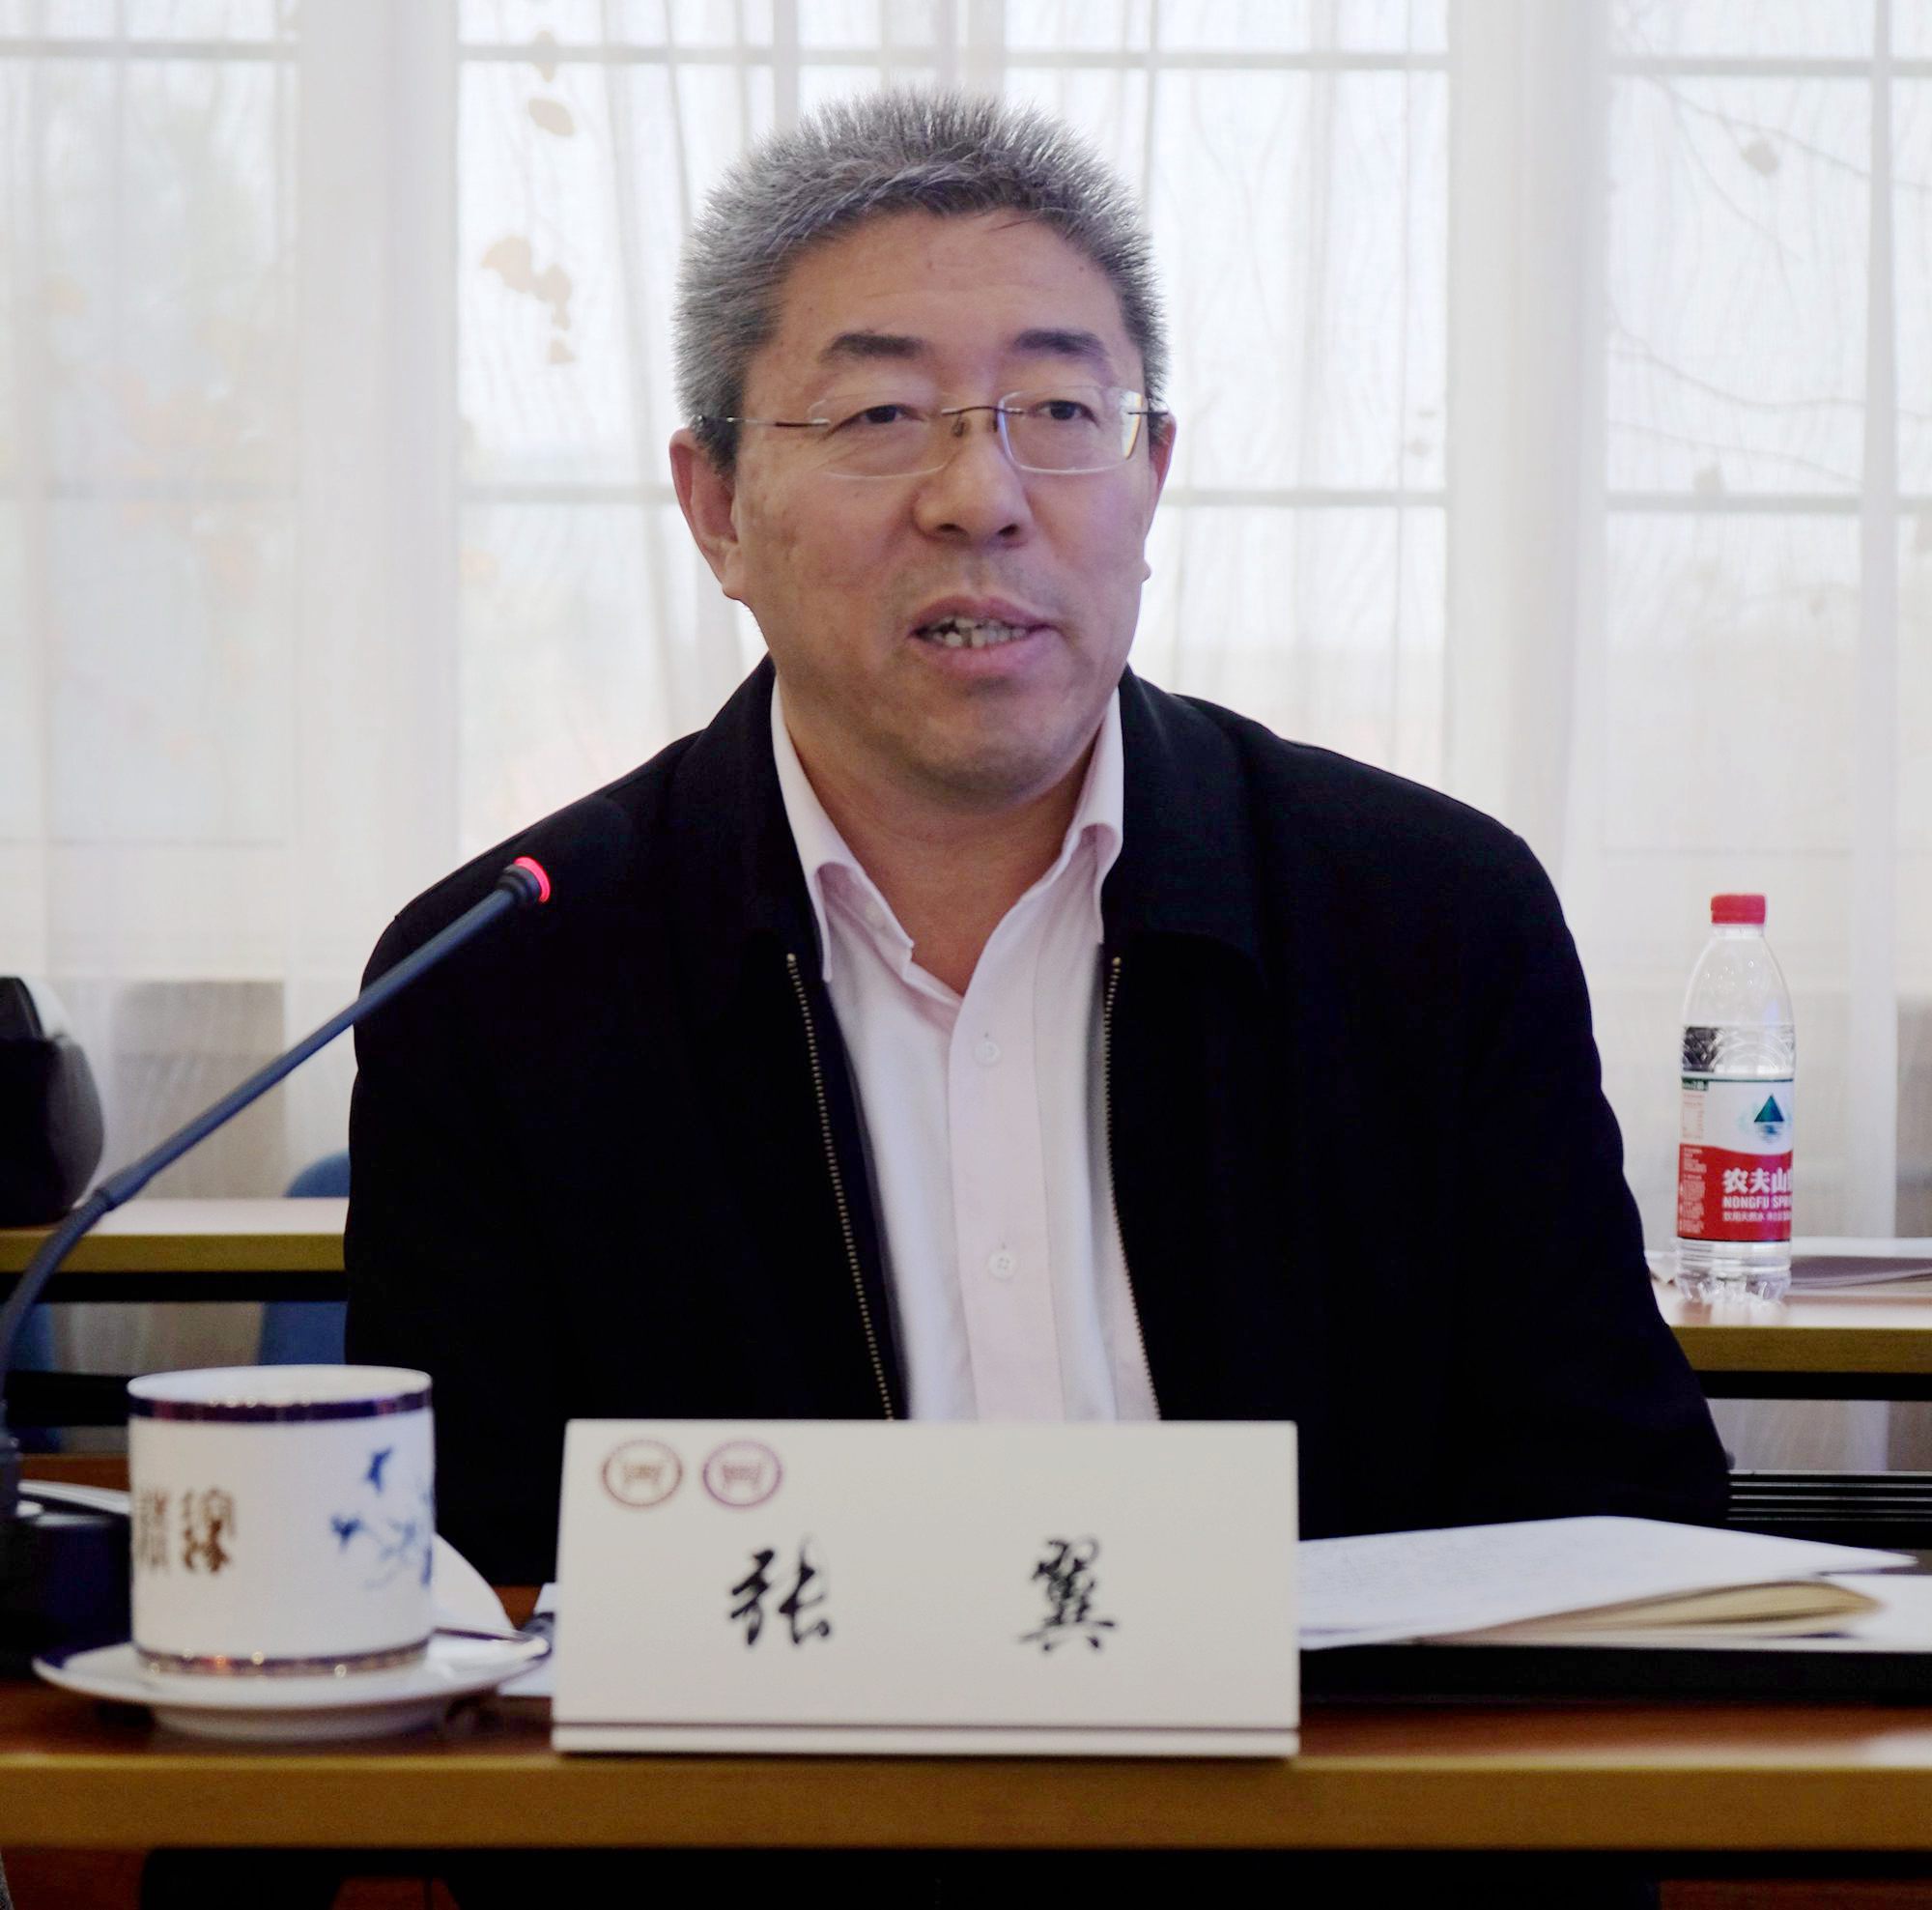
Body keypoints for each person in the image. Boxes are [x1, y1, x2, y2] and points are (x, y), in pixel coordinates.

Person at [345, 89, 1725, 1591]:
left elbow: (1617, 1514)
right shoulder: (506, 978)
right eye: (879, 415)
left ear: (1152, 477)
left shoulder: (1429, 921)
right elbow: (461, 1591)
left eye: (1061, 413)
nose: (979, 498)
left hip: (1317, 1752)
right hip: (754, 1756)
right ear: (717, 507)